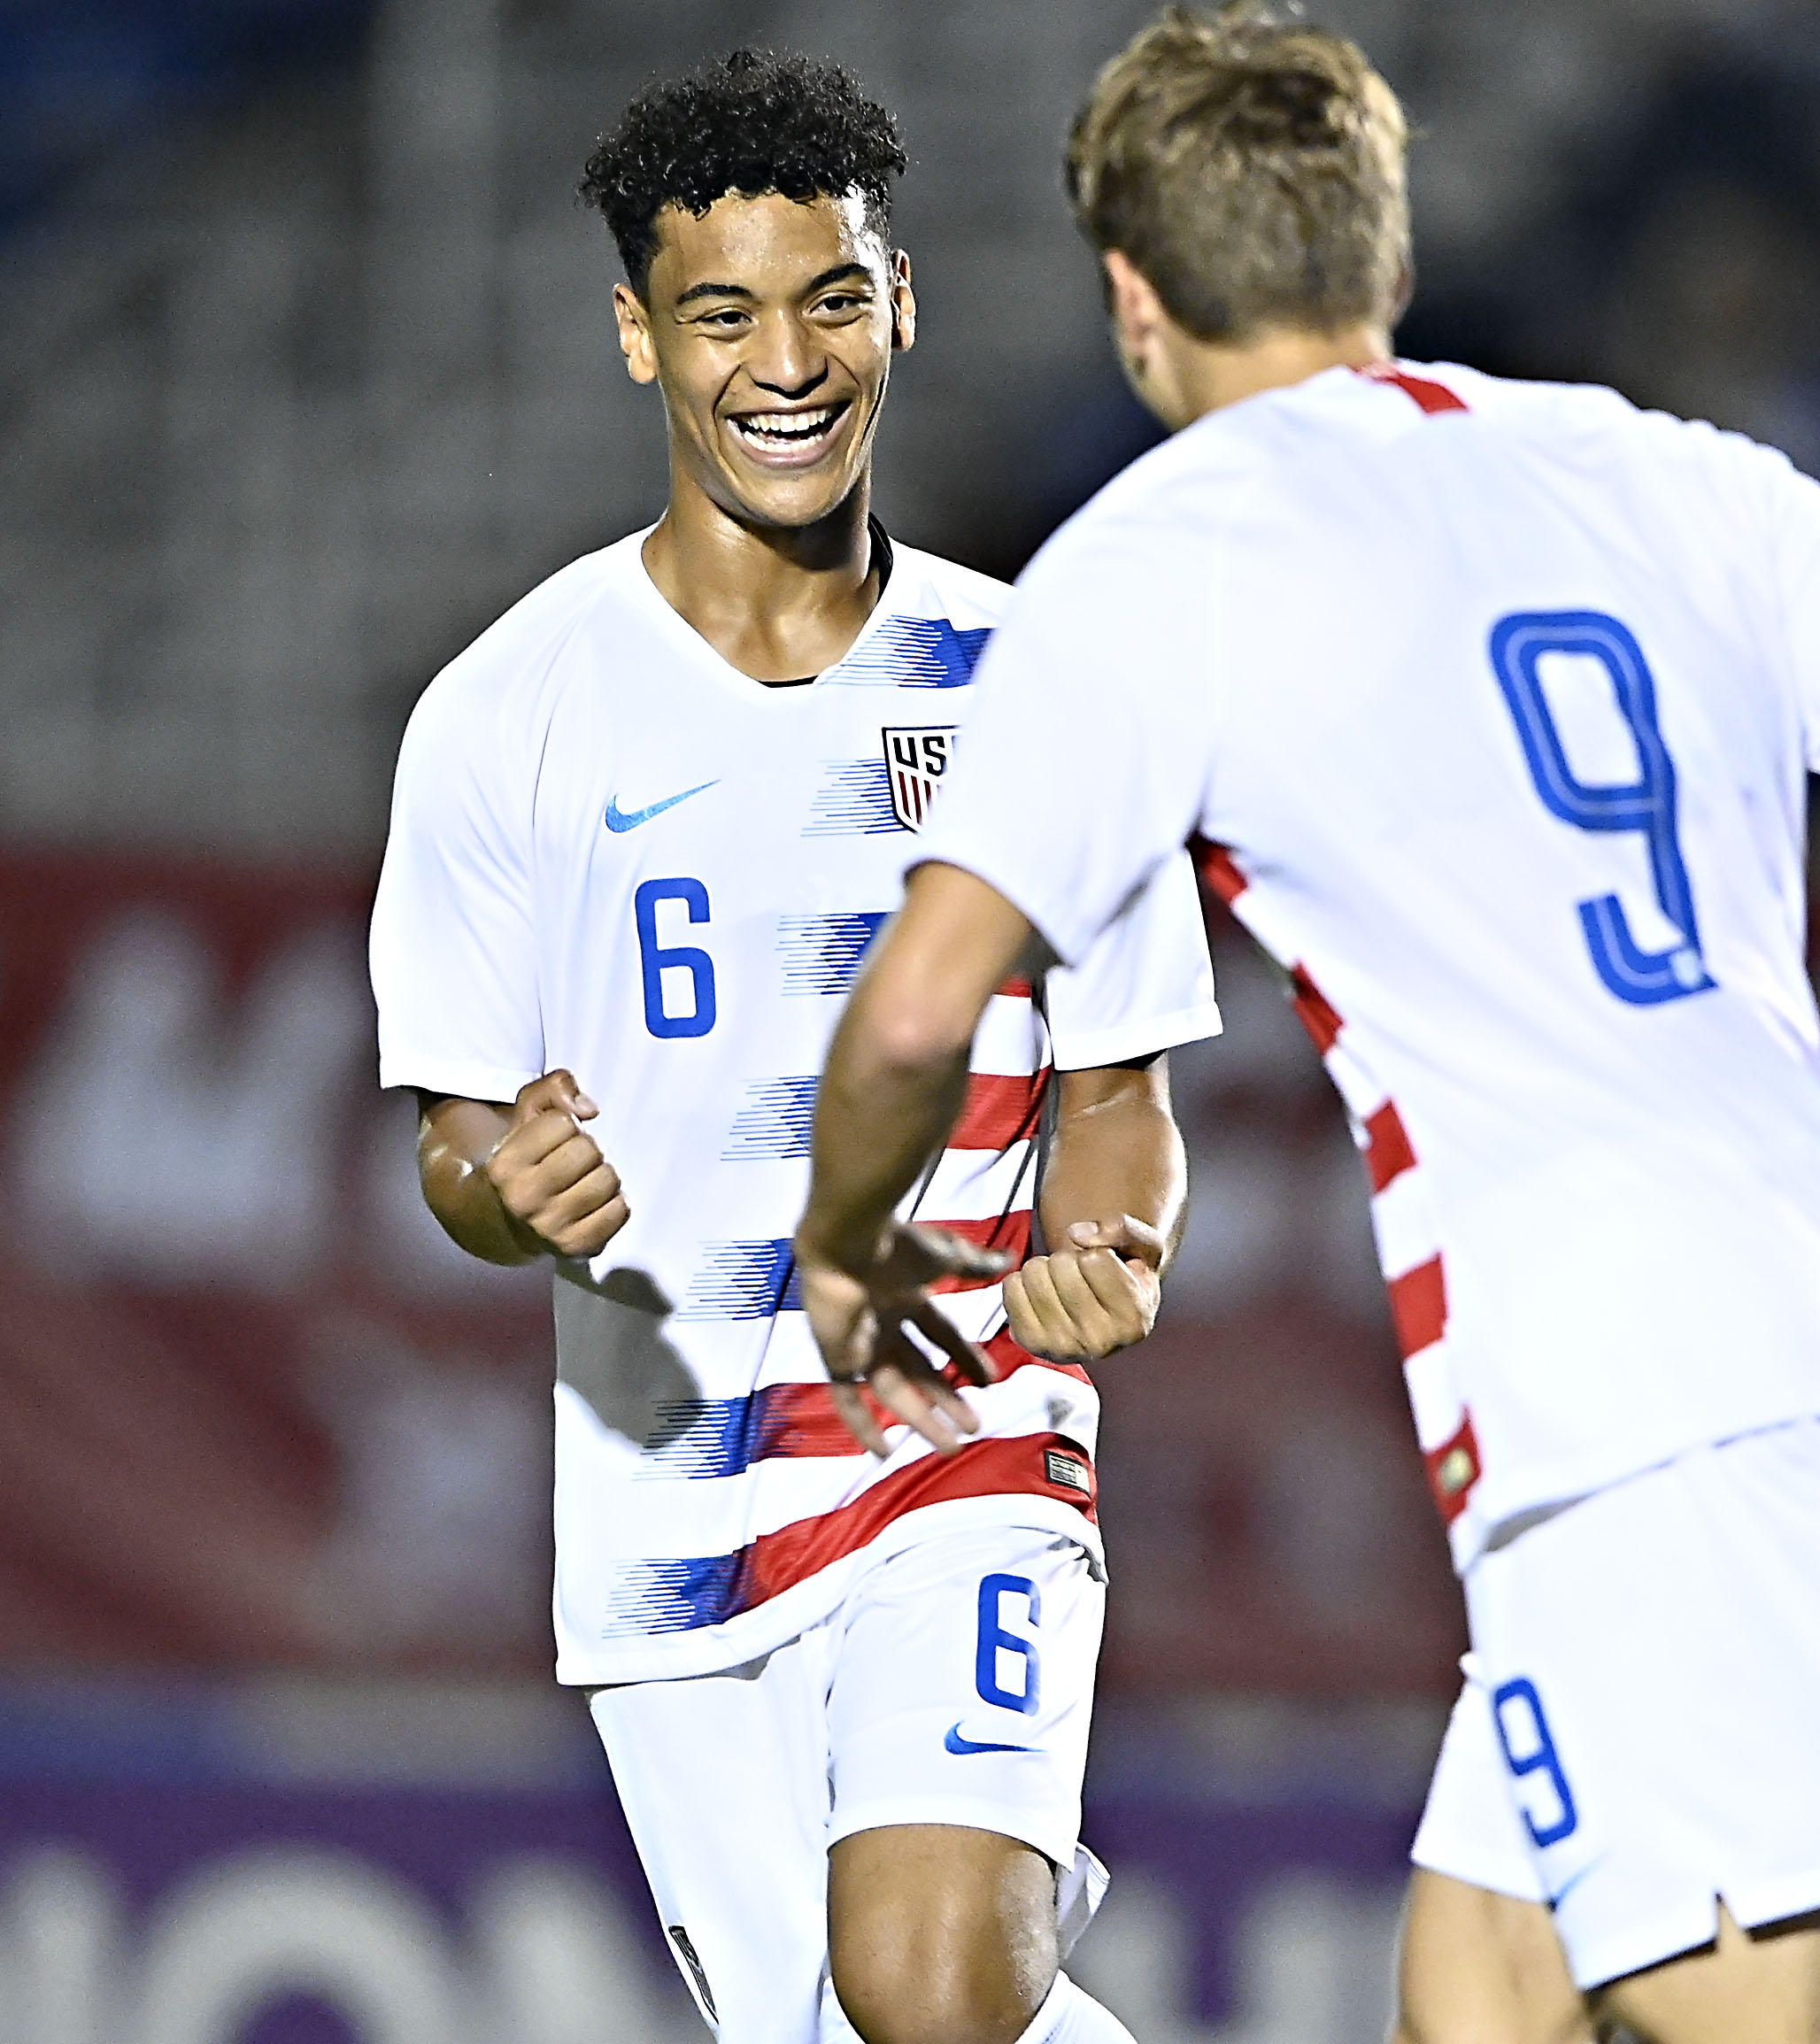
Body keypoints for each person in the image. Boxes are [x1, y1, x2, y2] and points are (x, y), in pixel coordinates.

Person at [792, 11, 1820, 2041]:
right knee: (1478, 1999)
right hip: (1747, 1341)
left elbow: (912, 1015)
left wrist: (848, 1248)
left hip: (1642, 1402)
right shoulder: (1680, 481)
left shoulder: (1156, 564)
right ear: (1380, 258)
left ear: (1133, 300)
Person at [367, 50, 1216, 2044]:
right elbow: (458, 1146)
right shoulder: (509, 714)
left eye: (831, 297)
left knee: (928, 1992)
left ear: (899, 299)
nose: (788, 360)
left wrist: (1110, 1245)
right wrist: (513, 1185)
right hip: (672, 1504)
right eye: (723, 311)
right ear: (637, 336)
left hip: (965, 1422)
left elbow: (1120, 1094)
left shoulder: (1042, 685)